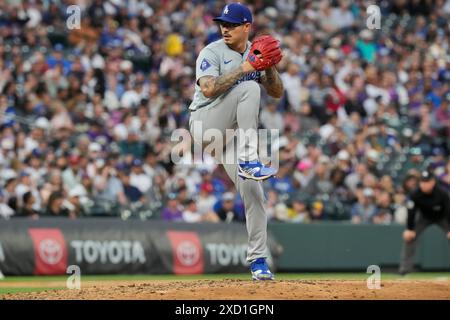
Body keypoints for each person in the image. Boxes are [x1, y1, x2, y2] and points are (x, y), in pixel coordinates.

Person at [188, 3, 283, 280]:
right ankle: (250, 159)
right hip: (205, 124)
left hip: (230, 138)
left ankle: (258, 262)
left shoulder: (255, 50)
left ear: (246, 27)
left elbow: (276, 92)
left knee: (253, 191)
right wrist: (246, 68)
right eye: (222, 24)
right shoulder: (212, 51)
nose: (224, 28)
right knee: (250, 87)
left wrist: (270, 67)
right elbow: (207, 89)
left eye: (231, 24)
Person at [399, 170, 450, 275]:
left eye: (427, 182)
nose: (424, 184)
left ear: (433, 182)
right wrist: (409, 229)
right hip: (424, 217)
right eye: (422, 182)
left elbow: (449, 211)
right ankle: (405, 269)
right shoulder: (415, 194)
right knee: (409, 237)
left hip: (442, 217)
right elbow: (411, 212)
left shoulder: (442, 193)